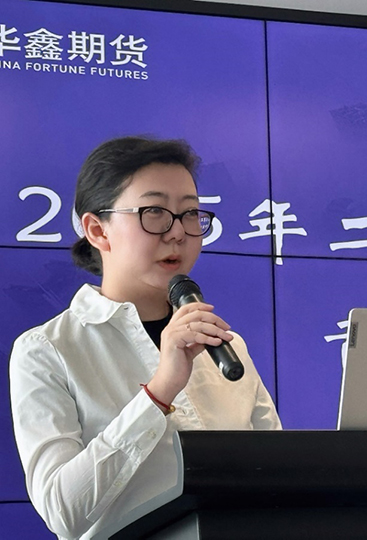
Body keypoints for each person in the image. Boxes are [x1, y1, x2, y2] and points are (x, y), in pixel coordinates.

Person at [9, 136, 281, 540]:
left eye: (190, 213)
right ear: (97, 230)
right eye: (154, 212)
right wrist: (158, 393)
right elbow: (62, 512)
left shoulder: (226, 345)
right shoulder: (47, 351)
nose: (178, 233)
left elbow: (279, 476)